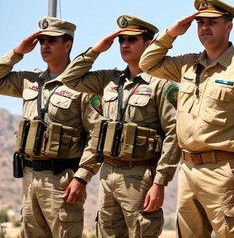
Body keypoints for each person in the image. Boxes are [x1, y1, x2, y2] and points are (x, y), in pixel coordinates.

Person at [139, 0, 234, 238]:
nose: (204, 28)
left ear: (228, 26)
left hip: (222, 171)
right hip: (188, 170)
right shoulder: (187, 65)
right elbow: (147, 63)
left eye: (212, 22)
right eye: (200, 22)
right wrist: (172, 33)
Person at [58, 14, 180, 238]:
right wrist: (97, 50)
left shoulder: (162, 84)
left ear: (149, 44)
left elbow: (174, 134)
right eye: (121, 40)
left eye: (131, 40)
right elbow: (70, 78)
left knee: (142, 231)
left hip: (140, 174)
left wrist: (160, 182)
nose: (124, 45)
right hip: (107, 173)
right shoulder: (109, 80)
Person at [0, 17, 100, 237]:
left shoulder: (82, 86)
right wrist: (18, 52)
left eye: (51, 41)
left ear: (68, 45)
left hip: (62, 180)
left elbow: (96, 136)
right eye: (42, 40)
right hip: (28, 178)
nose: (44, 46)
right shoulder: (29, 80)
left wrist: (81, 177)